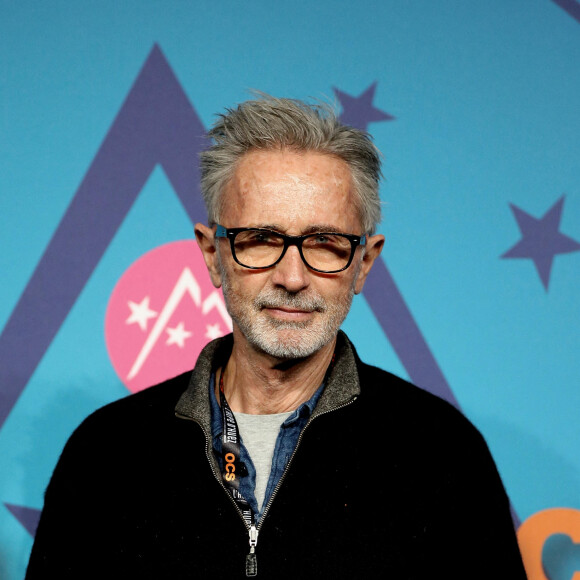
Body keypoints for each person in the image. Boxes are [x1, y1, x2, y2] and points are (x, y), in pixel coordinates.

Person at [26, 95, 527, 579]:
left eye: (325, 243)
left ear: (364, 263)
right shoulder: (104, 456)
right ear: (212, 254)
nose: (292, 277)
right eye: (261, 239)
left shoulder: (443, 456)